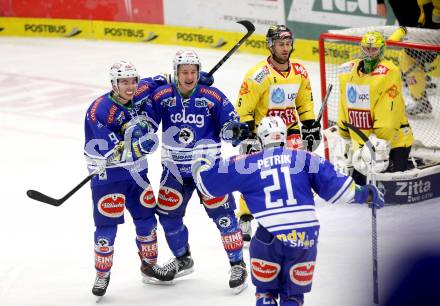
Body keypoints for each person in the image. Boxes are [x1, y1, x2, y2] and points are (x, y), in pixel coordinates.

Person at [191, 116, 384, 306]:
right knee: (293, 297)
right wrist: (365, 194)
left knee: (265, 293)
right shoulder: (306, 158)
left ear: (260, 139)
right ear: (284, 137)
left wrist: (200, 161)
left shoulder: (247, 162)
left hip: (269, 238)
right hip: (305, 239)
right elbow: (340, 189)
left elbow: (208, 185)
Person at [145, 49, 250, 293]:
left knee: (223, 217)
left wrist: (233, 131)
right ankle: (183, 259)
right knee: (169, 217)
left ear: (198, 72)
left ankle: (238, 265)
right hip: (174, 169)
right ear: (176, 73)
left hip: (208, 170)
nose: (189, 76)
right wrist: (140, 130)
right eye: (184, 72)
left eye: (193, 71)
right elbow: (148, 122)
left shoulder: (213, 96)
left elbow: (229, 125)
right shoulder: (162, 96)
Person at [84, 60, 174, 298]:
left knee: (146, 219)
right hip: (109, 176)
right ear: (114, 84)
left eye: (133, 81)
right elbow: (112, 152)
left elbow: (164, 78)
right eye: (124, 82)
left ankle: (149, 266)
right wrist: (141, 144)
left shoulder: (140, 89)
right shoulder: (99, 111)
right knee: (106, 227)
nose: (130, 86)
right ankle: (102, 274)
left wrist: (195, 78)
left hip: (138, 175)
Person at [235, 24, 321, 243]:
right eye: (280, 44)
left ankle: (288, 219)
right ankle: (245, 216)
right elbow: (244, 109)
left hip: (289, 128)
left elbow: (304, 103)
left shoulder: (300, 72)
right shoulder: (257, 75)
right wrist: (248, 136)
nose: (285, 48)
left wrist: (310, 125)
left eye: (288, 43)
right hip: (261, 132)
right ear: (271, 46)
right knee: (255, 175)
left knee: (294, 172)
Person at [336, 31, 415, 185]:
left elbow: (388, 112)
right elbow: (344, 103)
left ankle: (405, 162)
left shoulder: (389, 72)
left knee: (387, 185)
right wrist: (343, 131)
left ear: (381, 50)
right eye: (366, 48)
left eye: (374, 49)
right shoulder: (347, 72)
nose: (370, 53)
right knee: (358, 184)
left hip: (392, 141)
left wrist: (379, 141)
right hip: (362, 143)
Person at [376, 0, 439, 115]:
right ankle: (421, 83)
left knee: (408, 59)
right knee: (409, 56)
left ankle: (421, 101)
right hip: (419, 25)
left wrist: (430, 26)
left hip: (426, 27)